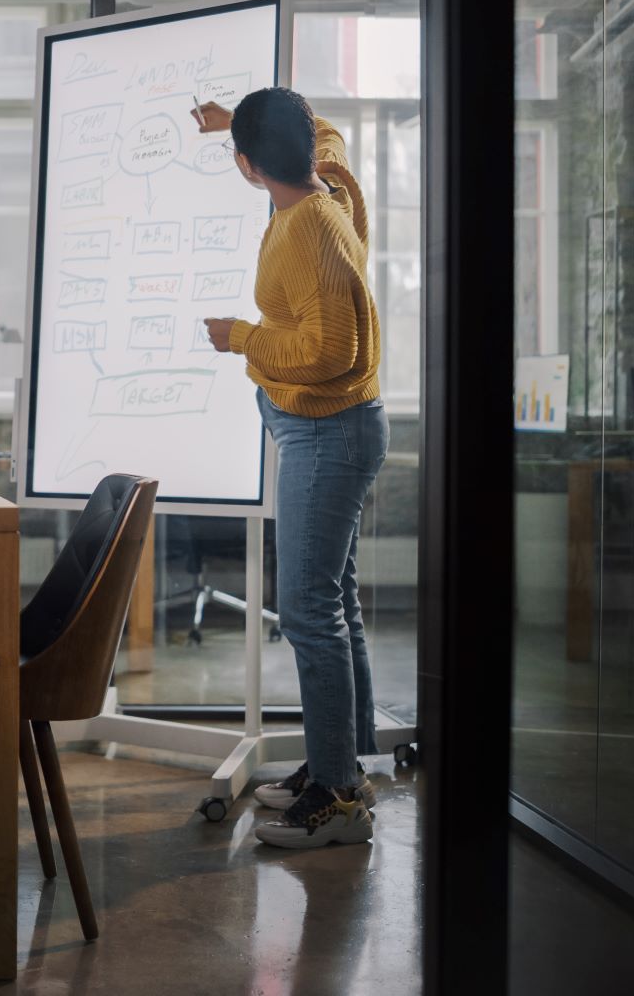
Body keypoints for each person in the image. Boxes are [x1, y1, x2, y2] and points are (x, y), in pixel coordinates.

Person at [194, 89, 386, 849]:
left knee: (309, 611)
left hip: (325, 433)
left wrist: (241, 336)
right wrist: (231, 122)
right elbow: (323, 130)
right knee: (334, 600)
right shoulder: (331, 181)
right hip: (326, 429)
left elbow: (331, 353)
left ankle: (338, 800)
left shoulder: (311, 226)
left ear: (246, 167)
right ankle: (344, 764)